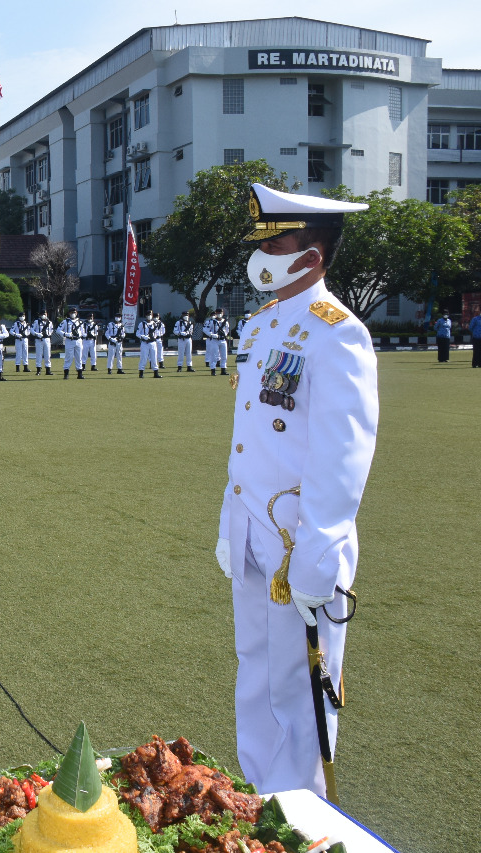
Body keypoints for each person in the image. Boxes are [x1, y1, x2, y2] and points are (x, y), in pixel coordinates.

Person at [217, 182, 377, 798]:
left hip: (299, 545)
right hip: (255, 532)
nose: (261, 252)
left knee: (299, 685)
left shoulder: (336, 333)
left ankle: (299, 807)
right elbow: (249, 444)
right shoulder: (260, 329)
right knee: (255, 672)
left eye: (275, 240)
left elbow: (343, 459)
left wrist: (317, 556)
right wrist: (229, 528)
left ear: (310, 256)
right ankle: (260, 794)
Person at [56, 307, 82, 379]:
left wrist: (80, 334)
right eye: (71, 313)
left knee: (79, 357)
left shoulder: (80, 322)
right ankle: (66, 373)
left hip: (78, 341)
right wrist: (65, 334)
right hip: (69, 340)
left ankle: (80, 373)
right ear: (69, 313)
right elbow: (58, 330)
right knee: (68, 357)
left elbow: (83, 332)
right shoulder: (65, 321)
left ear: (76, 313)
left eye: (74, 312)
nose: (73, 314)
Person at [205, 308, 231, 375]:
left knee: (224, 355)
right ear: (216, 313)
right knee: (214, 355)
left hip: (222, 340)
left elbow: (227, 330)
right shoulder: (212, 322)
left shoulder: (225, 322)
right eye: (218, 313)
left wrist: (224, 334)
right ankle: (213, 370)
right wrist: (212, 335)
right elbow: (205, 330)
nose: (219, 314)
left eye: (220, 312)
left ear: (223, 313)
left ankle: (223, 369)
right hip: (214, 340)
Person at [136, 311, 161, 378]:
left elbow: (157, 333)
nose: (149, 316)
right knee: (143, 357)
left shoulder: (155, 324)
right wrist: (143, 336)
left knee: (154, 358)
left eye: (150, 315)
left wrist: (154, 337)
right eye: (148, 315)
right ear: (145, 316)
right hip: (145, 343)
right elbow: (137, 333)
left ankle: (156, 373)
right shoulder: (142, 324)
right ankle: (141, 373)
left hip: (152, 343)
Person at [33, 310, 55, 375]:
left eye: (44, 314)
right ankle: (38, 370)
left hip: (47, 339)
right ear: (39, 315)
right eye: (42, 314)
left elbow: (51, 330)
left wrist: (48, 334)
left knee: (47, 355)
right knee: (38, 354)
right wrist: (37, 334)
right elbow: (31, 330)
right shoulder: (36, 321)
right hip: (39, 339)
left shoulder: (49, 322)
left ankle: (48, 370)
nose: (43, 315)